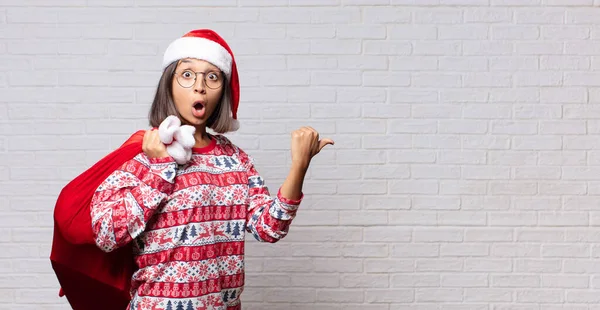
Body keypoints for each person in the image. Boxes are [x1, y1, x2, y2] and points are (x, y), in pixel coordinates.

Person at [88, 29, 334, 310]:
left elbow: (269, 228)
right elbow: (107, 234)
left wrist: (299, 166)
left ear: (222, 91)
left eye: (212, 76)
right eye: (188, 74)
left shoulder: (236, 160)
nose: (200, 86)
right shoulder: (142, 154)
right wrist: (158, 168)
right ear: (169, 84)